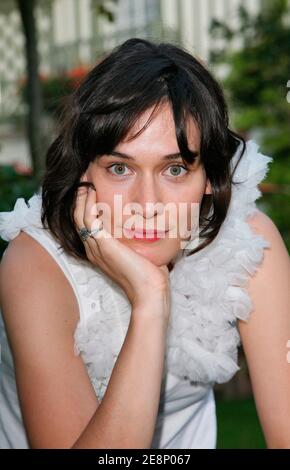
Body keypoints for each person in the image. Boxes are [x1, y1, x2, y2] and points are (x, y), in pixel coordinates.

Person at [0, 38, 289, 449]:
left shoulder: (248, 244)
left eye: (174, 169)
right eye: (120, 168)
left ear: (210, 176)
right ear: (84, 171)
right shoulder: (35, 267)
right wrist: (151, 302)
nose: (147, 204)